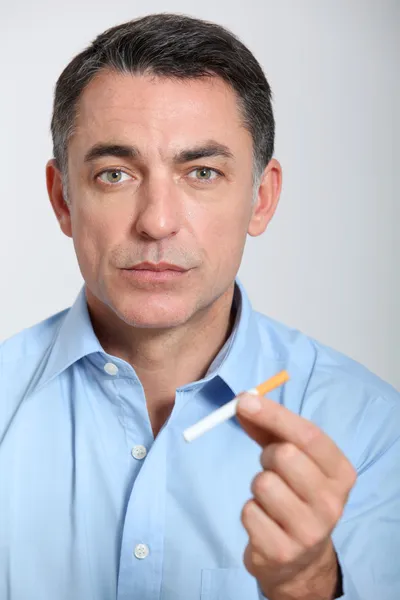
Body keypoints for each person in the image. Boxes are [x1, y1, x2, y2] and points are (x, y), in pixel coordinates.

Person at [0, 12, 399, 600]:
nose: (157, 221)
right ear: (63, 199)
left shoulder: (372, 429)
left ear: (261, 199)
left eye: (202, 172)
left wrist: (311, 583)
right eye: (115, 173)